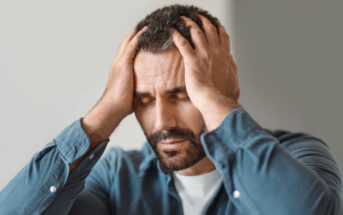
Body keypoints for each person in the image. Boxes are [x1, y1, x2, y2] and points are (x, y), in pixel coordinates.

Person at [0, 4, 342, 215]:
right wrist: (103, 113)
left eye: (183, 95)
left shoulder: (302, 155)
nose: (162, 122)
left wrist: (216, 99)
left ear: (226, 85)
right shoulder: (118, 179)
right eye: (144, 101)